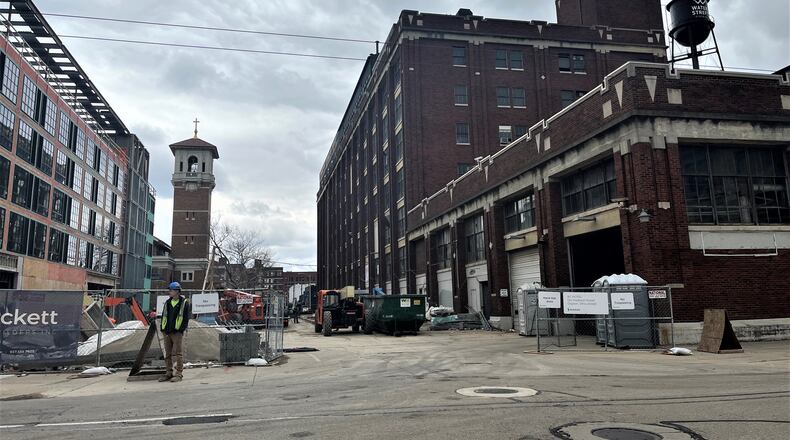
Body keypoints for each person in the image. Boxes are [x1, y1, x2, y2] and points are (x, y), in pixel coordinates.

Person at [159, 282, 191, 383]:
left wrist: (181, 329)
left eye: (171, 290)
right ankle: (169, 372)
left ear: (177, 291)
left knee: (178, 353)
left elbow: (185, 318)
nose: (169, 292)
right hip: (167, 331)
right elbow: (164, 316)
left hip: (177, 332)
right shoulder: (168, 302)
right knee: (167, 353)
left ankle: (179, 373)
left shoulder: (184, 303)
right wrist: (163, 329)